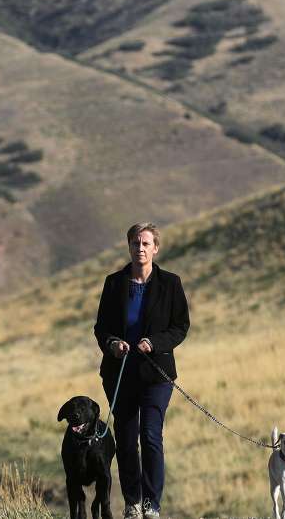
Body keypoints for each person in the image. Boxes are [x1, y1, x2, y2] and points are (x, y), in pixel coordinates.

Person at [94, 222, 190, 519]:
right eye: (136, 243)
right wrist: (112, 344)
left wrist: (154, 342)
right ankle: (133, 503)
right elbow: (102, 328)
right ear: (129, 247)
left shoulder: (170, 283)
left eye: (146, 243)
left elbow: (180, 327)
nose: (140, 248)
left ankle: (152, 504)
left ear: (155, 248)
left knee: (150, 436)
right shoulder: (114, 283)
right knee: (125, 439)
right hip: (120, 373)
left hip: (156, 374)